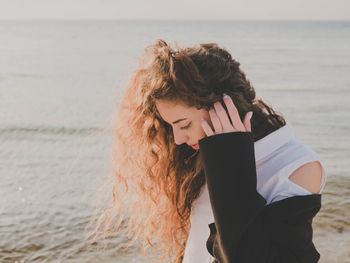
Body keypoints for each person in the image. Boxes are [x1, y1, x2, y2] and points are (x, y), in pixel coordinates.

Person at [86, 39, 327, 263]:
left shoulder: (297, 166)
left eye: (184, 125)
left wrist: (229, 160)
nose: (178, 139)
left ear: (223, 106)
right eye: (172, 127)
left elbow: (247, 255)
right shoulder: (202, 155)